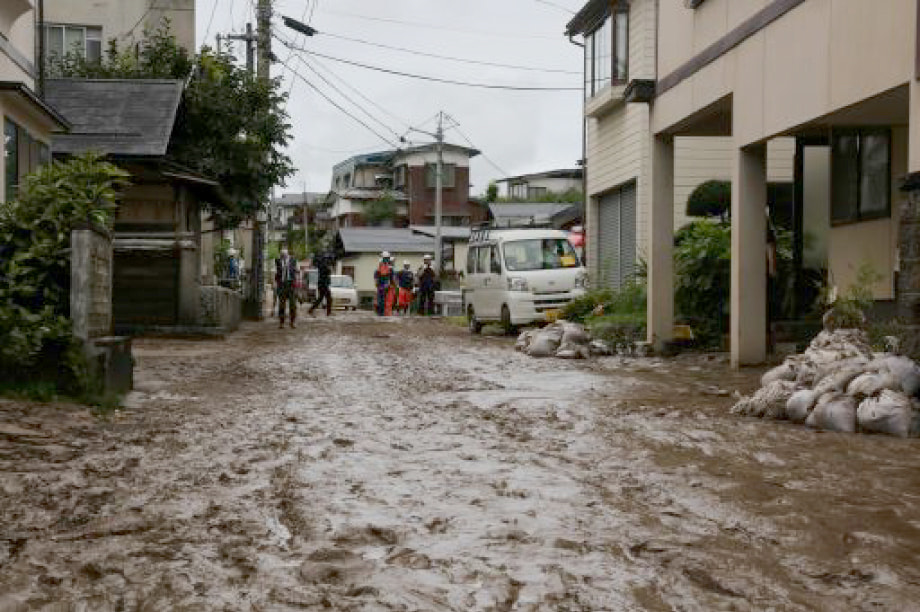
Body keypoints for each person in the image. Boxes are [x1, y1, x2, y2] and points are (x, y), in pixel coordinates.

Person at [275, 247, 298, 328]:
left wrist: (295, 282)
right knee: (281, 305)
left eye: (284, 255)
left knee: (292, 305)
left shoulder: (293, 261)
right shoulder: (277, 261)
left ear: (287, 255)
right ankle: (281, 322)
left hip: (290, 284)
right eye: (281, 255)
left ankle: (292, 322)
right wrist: (277, 283)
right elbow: (277, 272)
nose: (282, 257)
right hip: (282, 284)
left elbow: (295, 271)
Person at [308, 253, 333, 317]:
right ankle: (328, 312)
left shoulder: (322, 264)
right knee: (328, 298)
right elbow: (327, 272)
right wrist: (329, 269)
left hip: (322, 284)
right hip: (323, 284)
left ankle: (311, 310)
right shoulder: (323, 265)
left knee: (321, 298)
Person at [374, 251, 396, 316]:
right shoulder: (381, 267)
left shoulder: (388, 267)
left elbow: (392, 278)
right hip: (382, 285)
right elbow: (377, 277)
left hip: (386, 286)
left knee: (385, 300)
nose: (387, 259)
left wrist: (392, 284)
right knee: (382, 300)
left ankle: (383, 312)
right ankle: (382, 312)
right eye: (386, 258)